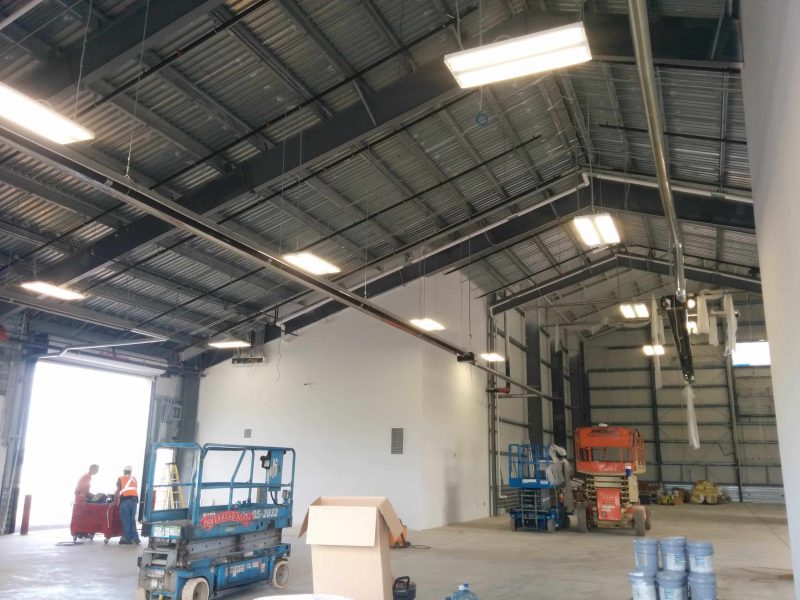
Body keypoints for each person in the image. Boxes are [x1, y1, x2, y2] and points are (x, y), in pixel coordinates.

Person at [115, 465, 140, 545]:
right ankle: (135, 538)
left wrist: (114, 501)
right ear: (131, 472)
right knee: (132, 520)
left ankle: (127, 539)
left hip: (125, 501)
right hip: (134, 501)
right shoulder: (134, 479)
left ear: (124, 471)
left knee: (126, 520)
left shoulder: (121, 478)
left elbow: (118, 491)